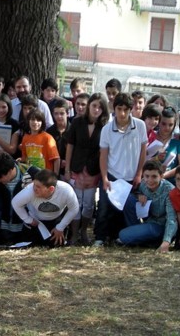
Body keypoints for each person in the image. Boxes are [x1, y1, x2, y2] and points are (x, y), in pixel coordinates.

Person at [95, 92, 147, 246]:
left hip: (131, 176)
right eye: (119, 109)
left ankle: (121, 238)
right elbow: (103, 155)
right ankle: (100, 238)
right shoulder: (106, 129)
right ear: (114, 108)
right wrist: (104, 178)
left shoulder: (140, 125)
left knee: (125, 209)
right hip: (112, 175)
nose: (122, 113)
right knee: (104, 208)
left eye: (126, 109)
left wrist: (139, 173)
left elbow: (143, 150)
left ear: (131, 109)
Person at [64, 92, 109, 245]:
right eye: (94, 105)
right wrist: (67, 169)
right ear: (89, 105)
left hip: (93, 170)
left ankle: (84, 231)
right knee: (76, 202)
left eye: (100, 107)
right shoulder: (77, 122)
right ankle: (74, 233)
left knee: (89, 204)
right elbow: (70, 146)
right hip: (76, 167)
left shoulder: (105, 127)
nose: (96, 109)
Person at [117, 160, 177, 253]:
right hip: (147, 220)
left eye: (154, 176)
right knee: (128, 199)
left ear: (161, 176)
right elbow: (135, 193)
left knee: (123, 235)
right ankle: (141, 237)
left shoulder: (169, 191)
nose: (150, 180)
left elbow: (171, 218)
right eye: (147, 176)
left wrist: (166, 242)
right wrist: (139, 196)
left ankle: (151, 240)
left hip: (160, 226)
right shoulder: (143, 184)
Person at [11, 169, 79, 247]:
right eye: (34, 184)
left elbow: (74, 209)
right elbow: (15, 203)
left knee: (57, 245)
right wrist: (28, 219)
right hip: (35, 221)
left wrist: (60, 227)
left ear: (51, 189)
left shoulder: (66, 190)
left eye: (38, 187)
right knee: (30, 245)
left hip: (56, 219)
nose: (34, 189)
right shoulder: (30, 191)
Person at [0, 152, 40, 244]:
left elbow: (51, 183)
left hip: (27, 226)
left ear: (9, 171)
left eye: (0, 177)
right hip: (4, 228)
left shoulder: (32, 173)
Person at [150, 106, 180, 183]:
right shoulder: (150, 137)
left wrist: (164, 175)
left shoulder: (179, 141)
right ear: (159, 122)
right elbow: (142, 159)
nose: (167, 127)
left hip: (169, 182)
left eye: (170, 125)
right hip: (149, 180)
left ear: (174, 125)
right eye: (163, 124)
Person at [46, 98, 69, 177]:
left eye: (62, 113)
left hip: (70, 171)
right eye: (56, 113)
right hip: (53, 171)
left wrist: (68, 162)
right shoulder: (49, 132)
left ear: (67, 113)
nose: (59, 116)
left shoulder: (74, 130)